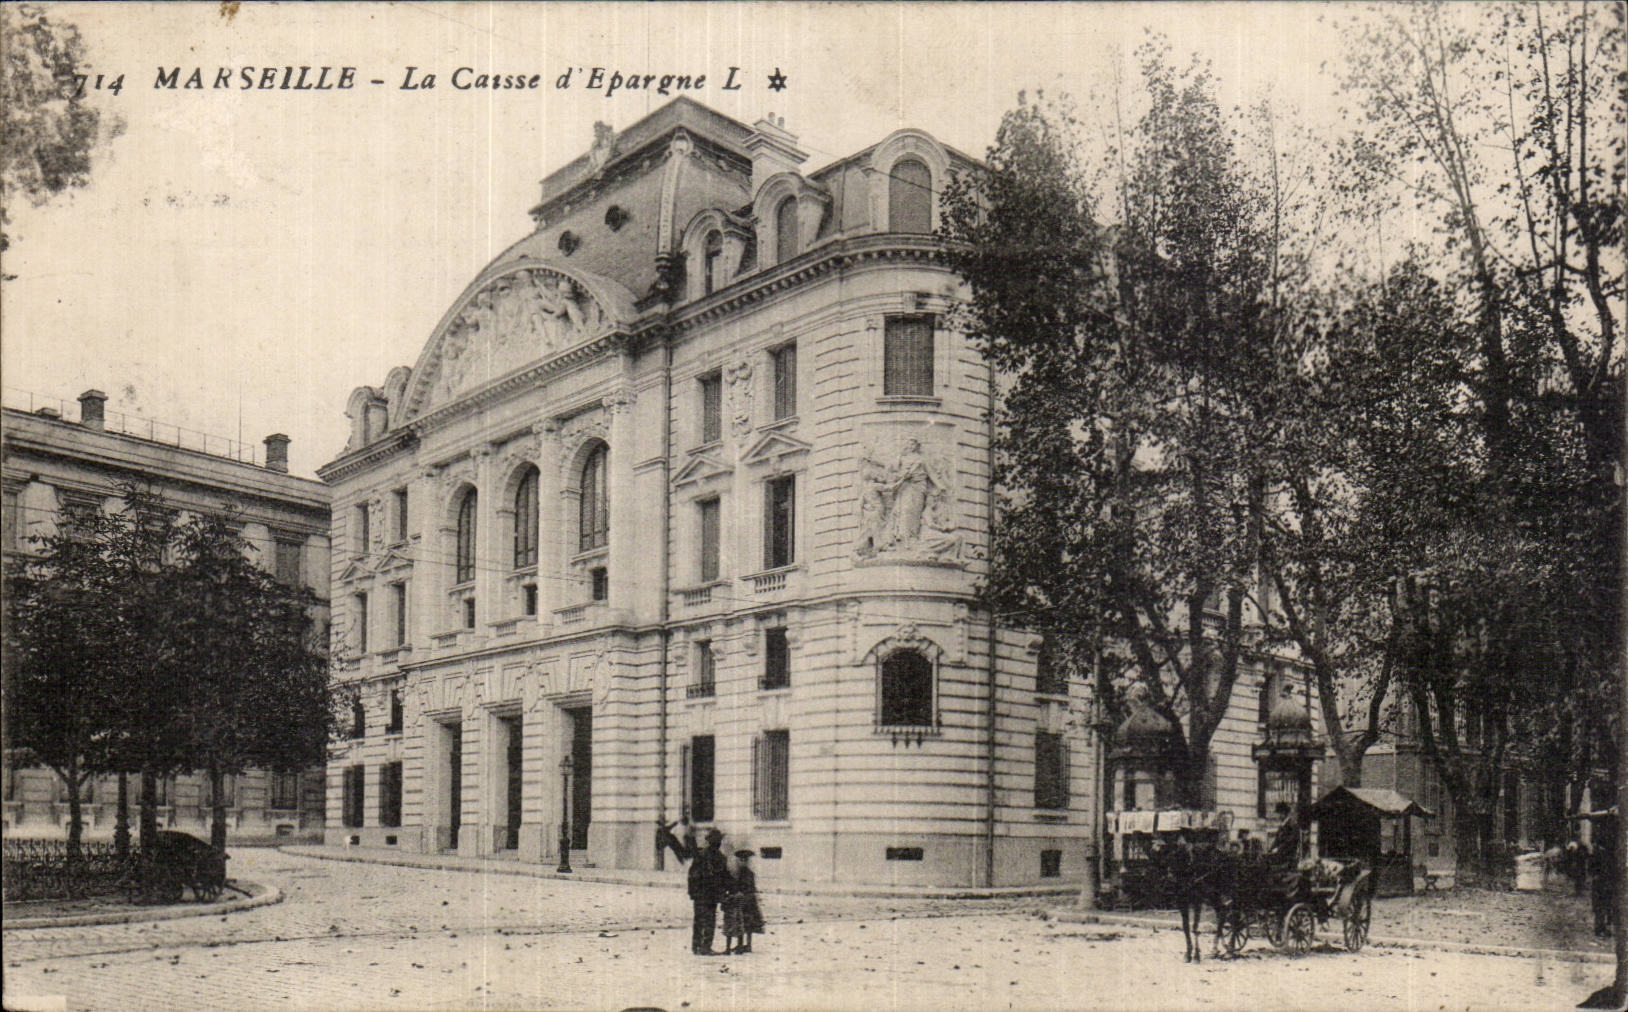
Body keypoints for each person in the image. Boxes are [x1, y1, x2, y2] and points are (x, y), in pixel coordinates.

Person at [687, 828, 730, 955]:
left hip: (707, 894)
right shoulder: (703, 856)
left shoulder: (719, 857)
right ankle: (701, 947)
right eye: (716, 841)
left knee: (702, 920)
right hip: (704, 893)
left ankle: (699, 947)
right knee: (706, 920)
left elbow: (724, 876)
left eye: (719, 840)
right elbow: (693, 875)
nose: (718, 843)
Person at [722, 849, 765, 954]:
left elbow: (747, 887)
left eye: (744, 860)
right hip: (748, 899)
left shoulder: (744, 873)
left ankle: (746, 945)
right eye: (741, 860)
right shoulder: (744, 872)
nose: (742, 862)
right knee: (745, 923)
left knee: (746, 922)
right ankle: (745, 945)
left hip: (746, 899)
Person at [1590, 815, 1617, 939]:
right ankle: (1601, 928)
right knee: (1603, 908)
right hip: (1603, 884)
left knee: (1602, 908)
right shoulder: (1605, 855)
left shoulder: (1598, 854)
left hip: (1602, 883)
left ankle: (1601, 928)